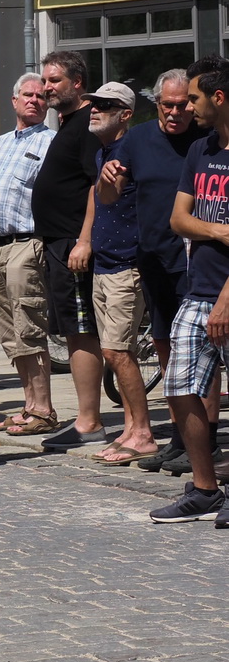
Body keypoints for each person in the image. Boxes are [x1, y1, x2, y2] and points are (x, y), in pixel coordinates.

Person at [98, 68, 214, 472]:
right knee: (166, 344)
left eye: (184, 105)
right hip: (152, 258)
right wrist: (108, 179)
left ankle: (205, 438)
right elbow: (108, 196)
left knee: (203, 350)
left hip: (197, 261)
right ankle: (181, 433)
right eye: (168, 105)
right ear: (156, 103)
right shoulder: (139, 138)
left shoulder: (206, 140)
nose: (176, 113)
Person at [148, 56, 229, 521]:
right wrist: (218, 232)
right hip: (199, 292)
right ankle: (205, 488)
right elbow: (179, 218)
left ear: (218, 97)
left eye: (194, 97)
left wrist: (224, 303)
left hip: (224, 296)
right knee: (179, 388)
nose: (189, 106)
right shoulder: (201, 150)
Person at [70, 82, 153, 465]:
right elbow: (95, 195)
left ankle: (143, 432)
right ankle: (131, 427)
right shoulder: (105, 150)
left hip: (126, 263)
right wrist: (85, 239)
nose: (94, 109)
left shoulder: (131, 149)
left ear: (125, 113)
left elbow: (117, 193)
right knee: (113, 351)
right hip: (105, 262)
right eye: (93, 103)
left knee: (118, 352)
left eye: (106, 105)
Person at [31, 50, 108, 451]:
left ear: (77, 82)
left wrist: (84, 239)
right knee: (74, 331)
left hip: (73, 246)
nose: (46, 88)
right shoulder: (67, 123)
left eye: (54, 81)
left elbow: (97, 186)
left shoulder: (86, 123)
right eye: (44, 81)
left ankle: (89, 421)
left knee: (81, 332)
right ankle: (86, 417)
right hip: (58, 243)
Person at [0, 72, 58, 436]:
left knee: (30, 327)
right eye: (28, 95)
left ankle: (44, 409)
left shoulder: (51, 142)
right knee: (9, 333)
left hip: (26, 244)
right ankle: (29, 406)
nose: (35, 101)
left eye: (41, 96)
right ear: (14, 100)